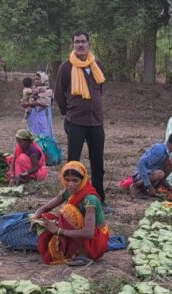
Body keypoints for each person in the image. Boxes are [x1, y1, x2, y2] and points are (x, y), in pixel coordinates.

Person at [54, 31, 108, 203]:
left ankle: (99, 199)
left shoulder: (96, 64)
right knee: (73, 163)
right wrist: (68, 112)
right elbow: (58, 94)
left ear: (88, 44)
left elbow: (99, 89)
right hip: (76, 122)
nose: (80, 45)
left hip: (96, 122)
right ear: (73, 45)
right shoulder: (66, 67)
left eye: (83, 42)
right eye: (77, 42)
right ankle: (72, 199)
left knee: (97, 163)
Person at [33, 161, 109, 267]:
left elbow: (89, 232)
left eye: (75, 180)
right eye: (67, 180)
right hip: (79, 229)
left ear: (83, 180)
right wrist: (36, 215)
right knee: (46, 217)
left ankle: (84, 254)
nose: (70, 184)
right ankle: (71, 248)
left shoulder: (90, 199)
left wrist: (58, 231)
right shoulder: (69, 191)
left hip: (94, 240)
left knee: (68, 210)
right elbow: (47, 207)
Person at [132, 131, 172, 197]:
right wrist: (148, 185)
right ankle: (135, 186)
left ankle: (158, 186)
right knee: (160, 173)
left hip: (152, 174)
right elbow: (141, 164)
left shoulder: (166, 152)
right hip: (141, 175)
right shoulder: (160, 150)